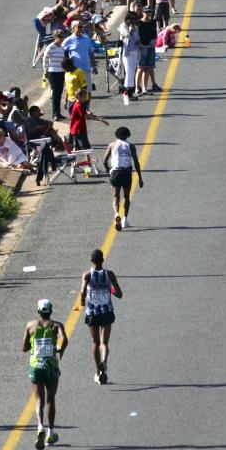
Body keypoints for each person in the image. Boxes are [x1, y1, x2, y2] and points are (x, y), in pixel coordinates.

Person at [23, 299, 68, 450]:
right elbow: (64, 339)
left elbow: (24, 347)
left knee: (38, 400)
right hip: (51, 367)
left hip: (36, 366)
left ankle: (40, 426)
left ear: (38, 311)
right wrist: (60, 350)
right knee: (51, 399)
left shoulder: (31, 326)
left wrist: (31, 343)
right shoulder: (56, 326)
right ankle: (51, 432)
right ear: (51, 311)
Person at [80, 249, 123, 385]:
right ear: (103, 260)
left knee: (95, 342)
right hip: (107, 312)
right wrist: (108, 289)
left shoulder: (87, 275)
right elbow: (119, 294)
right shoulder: (109, 274)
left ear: (91, 261)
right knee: (104, 343)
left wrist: (82, 300)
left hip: (93, 313)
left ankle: (98, 370)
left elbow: (82, 291)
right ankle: (104, 362)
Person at [103, 126, 143, 231]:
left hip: (115, 173)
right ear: (127, 135)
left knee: (116, 196)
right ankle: (125, 219)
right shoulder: (131, 146)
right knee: (126, 197)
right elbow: (136, 163)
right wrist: (140, 178)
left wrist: (108, 169)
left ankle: (117, 213)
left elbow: (104, 161)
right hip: (126, 173)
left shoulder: (112, 145)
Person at [62, 20, 98, 93]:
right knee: (77, 92)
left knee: (88, 91)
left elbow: (91, 53)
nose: (82, 28)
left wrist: (94, 66)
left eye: (82, 26)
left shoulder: (87, 39)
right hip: (75, 70)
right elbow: (61, 52)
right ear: (72, 28)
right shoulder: (68, 40)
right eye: (79, 27)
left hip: (86, 68)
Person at [68, 87, 109, 152]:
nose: (86, 98)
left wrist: (87, 111)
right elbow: (87, 117)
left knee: (77, 149)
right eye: (84, 97)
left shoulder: (76, 103)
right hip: (79, 130)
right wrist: (100, 119)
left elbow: (82, 111)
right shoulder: (79, 106)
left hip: (75, 129)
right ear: (79, 96)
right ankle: (88, 161)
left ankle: (77, 161)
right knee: (86, 149)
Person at [42, 29, 67, 121]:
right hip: (52, 72)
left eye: (62, 37)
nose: (61, 39)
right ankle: (55, 114)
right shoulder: (51, 47)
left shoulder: (62, 47)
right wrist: (46, 70)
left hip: (61, 71)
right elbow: (45, 59)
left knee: (59, 93)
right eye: (59, 37)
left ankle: (58, 113)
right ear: (55, 37)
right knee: (56, 93)